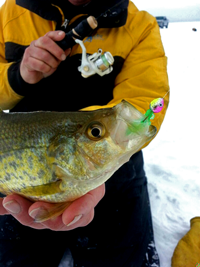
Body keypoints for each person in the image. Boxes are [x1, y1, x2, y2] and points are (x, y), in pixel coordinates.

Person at [0, 0, 169, 266]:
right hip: (20, 163)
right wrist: (17, 75)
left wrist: (94, 134)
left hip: (112, 167)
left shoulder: (139, 25)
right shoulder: (10, 12)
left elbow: (143, 105)